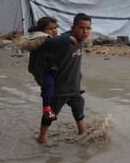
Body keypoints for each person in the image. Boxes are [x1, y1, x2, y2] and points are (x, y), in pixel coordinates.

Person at [37, 13, 92, 144]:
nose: (85, 31)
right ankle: (41, 138)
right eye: (81, 28)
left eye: (88, 28)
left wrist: (78, 82)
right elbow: (43, 48)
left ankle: (83, 135)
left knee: (79, 109)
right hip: (59, 89)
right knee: (50, 115)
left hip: (74, 88)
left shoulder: (81, 40)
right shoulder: (64, 41)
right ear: (73, 27)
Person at [21, 17, 58, 121]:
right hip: (41, 69)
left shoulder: (45, 37)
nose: (54, 30)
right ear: (42, 31)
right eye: (50, 29)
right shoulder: (43, 39)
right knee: (48, 84)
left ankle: (74, 90)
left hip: (48, 67)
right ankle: (46, 108)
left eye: (55, 27)